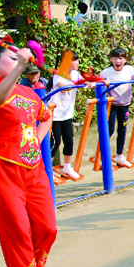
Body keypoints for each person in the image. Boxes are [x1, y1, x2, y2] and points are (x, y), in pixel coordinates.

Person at [0, 43, 56, 267]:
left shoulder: (28, 92)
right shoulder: (1, 90)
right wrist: (20, 66)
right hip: (5, 172)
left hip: (35, 171)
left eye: (18, 58)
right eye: (12, 58)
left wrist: (35, 140)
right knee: (17, 230)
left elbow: (46, 116)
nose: (18, 60)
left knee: (47, 227)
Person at [49, 50, 89, 180]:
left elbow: (85, 82)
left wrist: (91, 82)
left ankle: (67, 167)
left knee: (69, 141)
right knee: (55, 142)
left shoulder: (76, 74)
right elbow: (65, 87)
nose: (78, 62)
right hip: (54, 116)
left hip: (66, 115)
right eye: (74, 60)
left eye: (77, 60)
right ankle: (46, 169)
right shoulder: (58, 75)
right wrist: (80, 84)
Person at [99, 47, 134, 169]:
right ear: (111, 60)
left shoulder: (130, 70)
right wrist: (103, 82)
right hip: (111, 105)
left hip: (124, 106)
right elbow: (99, 83)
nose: (118, 61)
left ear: (125, 60)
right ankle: (101, 156)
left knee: (122, 130)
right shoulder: (106, 72)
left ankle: (119, 155)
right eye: (115, 58)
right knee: (109, 129)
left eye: (121, 58)